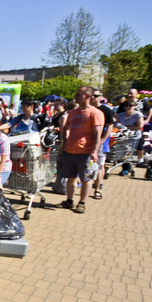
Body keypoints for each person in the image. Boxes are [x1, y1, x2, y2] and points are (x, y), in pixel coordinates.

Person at [59, 86, 104, 214]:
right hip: (70, 151)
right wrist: (64, 142)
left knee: (86, 179)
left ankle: (82, 202)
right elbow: (66, 128)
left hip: (85, 153)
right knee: (71, 178)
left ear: (88, 96)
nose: (76, 96)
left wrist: (95, 151)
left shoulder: (95, 113)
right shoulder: (73, 113)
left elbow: (97, 134)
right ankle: (69, 200)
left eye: (79, 94)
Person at [117, 88, 151, 165]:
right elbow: (117, 115)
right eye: (128, 93)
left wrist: (147, 119)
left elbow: (150, 109)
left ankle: (140, 160)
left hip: (137, 127)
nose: (129, 95)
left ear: (136, 94)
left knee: (139, 143)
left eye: (131, 93)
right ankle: (123, 160)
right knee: (123, 145)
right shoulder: (124, 104)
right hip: (125, 128)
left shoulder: (142, 102)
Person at [91, 90, 114, 199]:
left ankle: (97, 189)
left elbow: (110, 126)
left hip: (99, 142)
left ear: (101, 97)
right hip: (87, 141)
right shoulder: (88, 109)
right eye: (91, 95)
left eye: (96, 96)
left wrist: (103, 139)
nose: (93, 97)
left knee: (99, 165)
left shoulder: (106, 110)